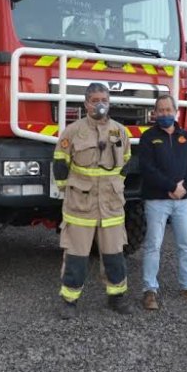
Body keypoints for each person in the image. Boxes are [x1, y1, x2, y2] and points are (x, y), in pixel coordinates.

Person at [53, 82, 133, 319]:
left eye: (104, 100)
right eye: (95, 100)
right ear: (86, 103)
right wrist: (68, 191)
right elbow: (60, 163)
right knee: (76, 257)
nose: (100, 104)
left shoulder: (120, 131)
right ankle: (69, 300)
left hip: (111, 206)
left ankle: (116, 297)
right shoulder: (73, 131)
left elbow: (126, 161)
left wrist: (116, 185)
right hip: (81, 205)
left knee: (114, 256)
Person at [138, 95, 187, 311]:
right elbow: (148, 170)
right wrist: (172, 187)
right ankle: (150, 290)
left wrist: (184, 187)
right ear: (155, 113)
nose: (165, 113)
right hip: (157, 200)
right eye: (161, 110)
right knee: (153, 246)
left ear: (176, 111)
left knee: (185, 244)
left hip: (182, 202)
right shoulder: (148, 138)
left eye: (169, 109)